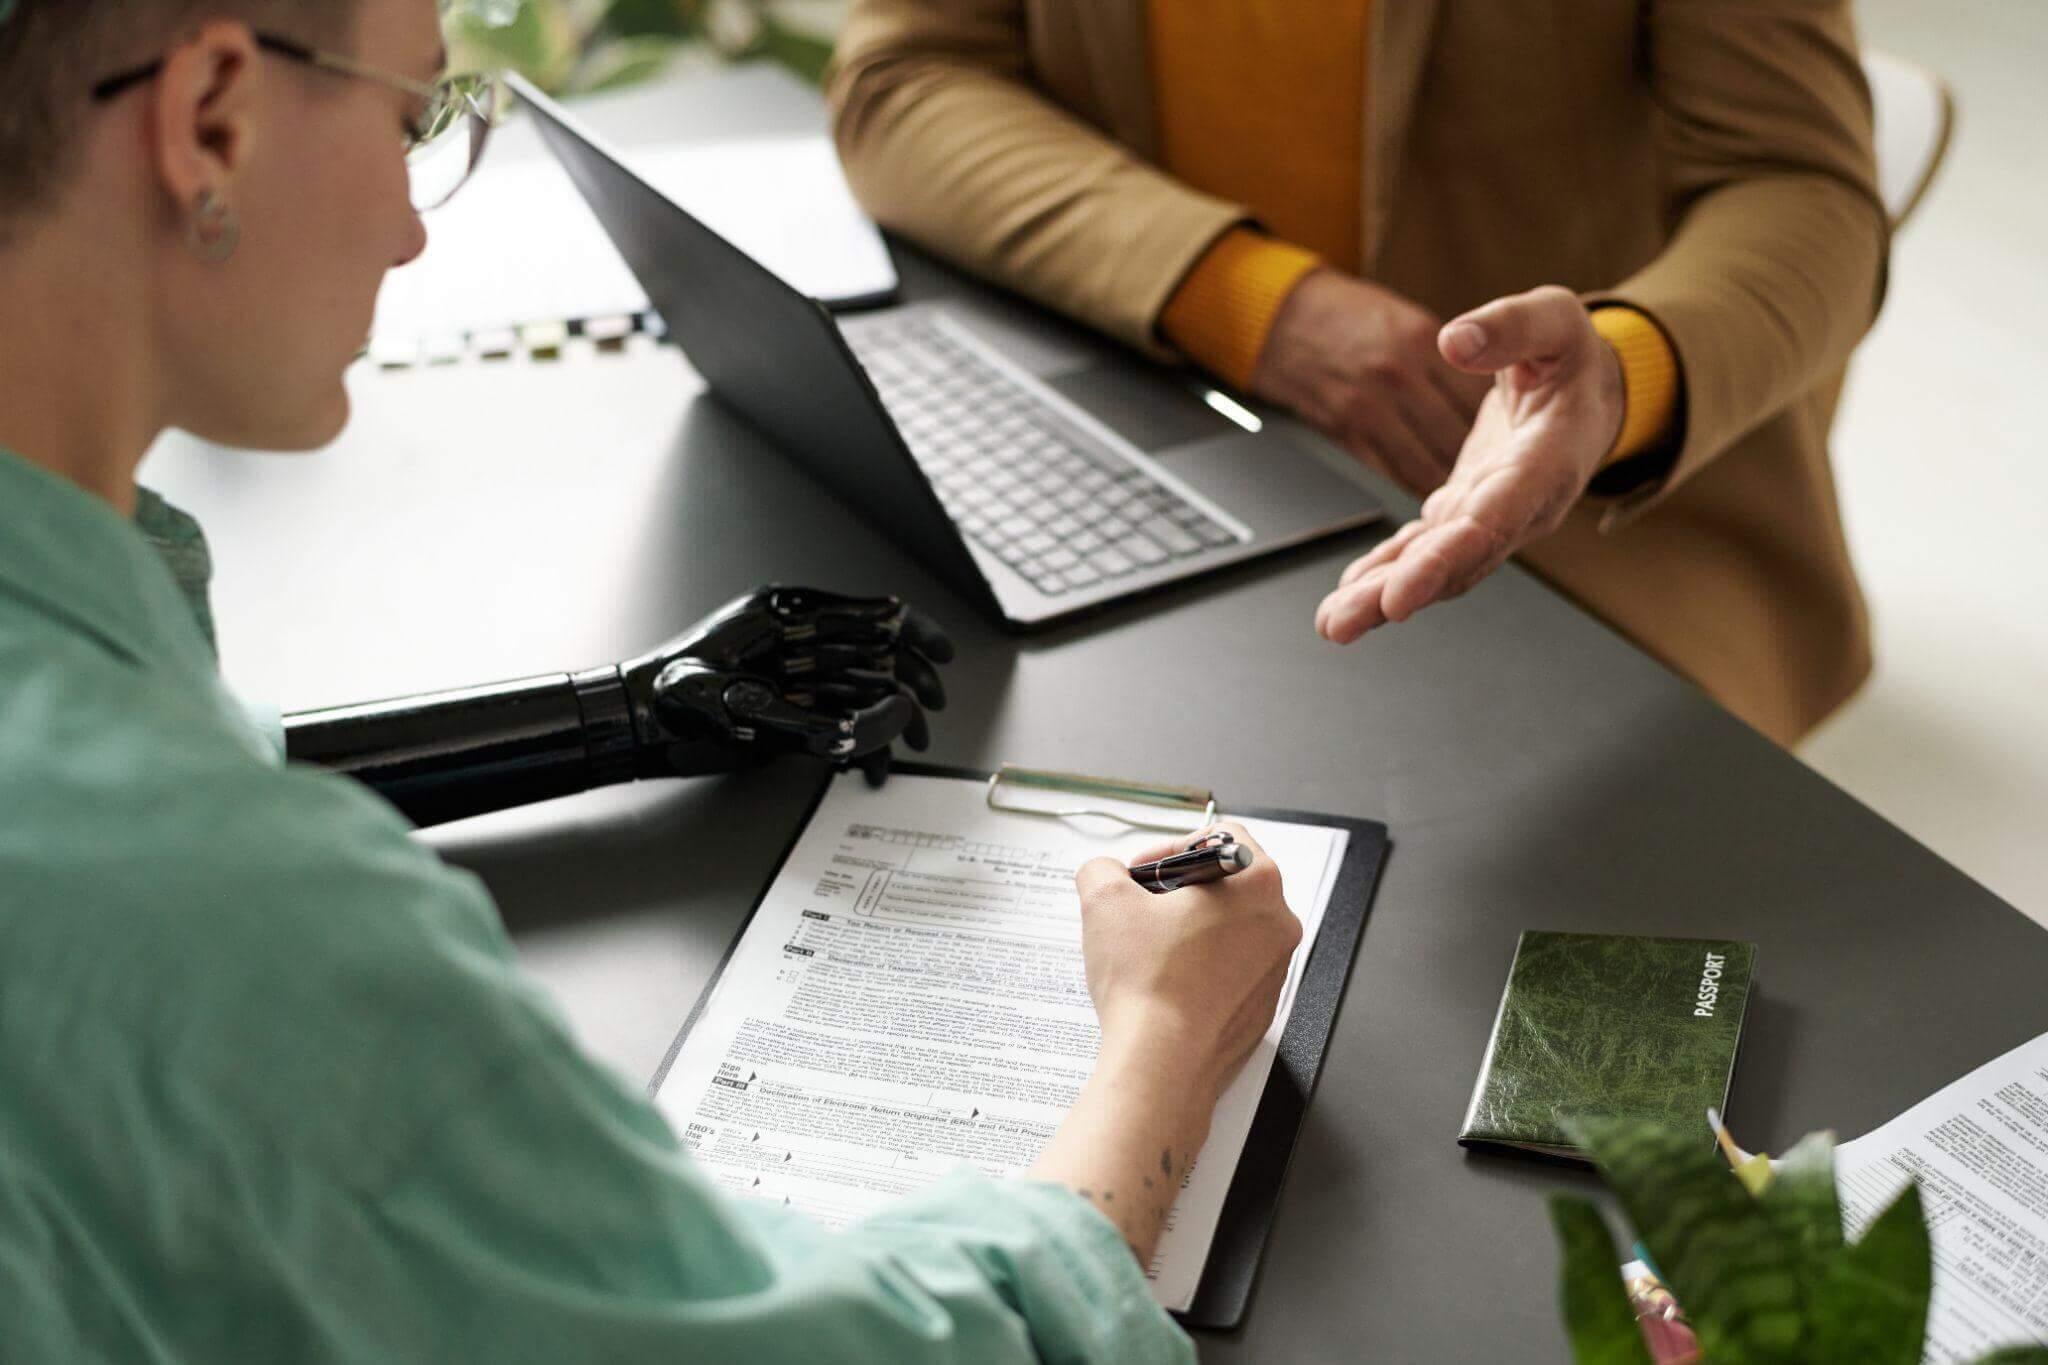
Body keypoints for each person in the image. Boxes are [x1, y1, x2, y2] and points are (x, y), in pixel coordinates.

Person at [0, 1, 1303, 1359]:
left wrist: (628, 714)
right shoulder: (248, 929)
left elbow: (164, 754)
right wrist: (1163, 1035)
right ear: (213, 115)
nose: (412, 229)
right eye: (410, 120)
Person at [828, 0, 1890, 746]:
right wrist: (1250, 303)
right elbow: (904, 77)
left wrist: (1618, 377)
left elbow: (1805, 192)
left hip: (1571, 510)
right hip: (1157, 409)